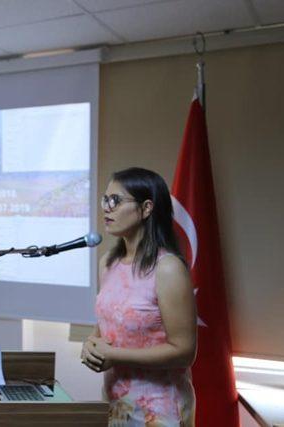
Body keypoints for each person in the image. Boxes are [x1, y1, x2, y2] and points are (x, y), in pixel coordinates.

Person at [81, 167, 197, 426]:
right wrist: (90, 344)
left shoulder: (167, 268)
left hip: (159, 410)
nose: (106, 208)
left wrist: (116, 356)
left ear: (146, 208)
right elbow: (107, 325)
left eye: (116, 201)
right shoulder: (108, 264)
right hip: (116, 405)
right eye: (105, 199)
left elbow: (184, 351)